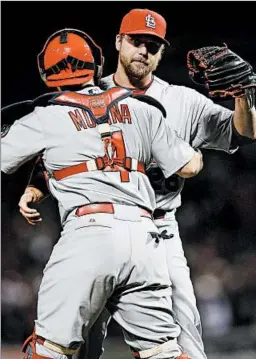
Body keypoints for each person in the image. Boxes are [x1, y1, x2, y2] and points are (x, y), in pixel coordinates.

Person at [17, 8, 256, 359]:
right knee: (77, 345)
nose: (143, 51)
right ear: (118, 42)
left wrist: (244, 96)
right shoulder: (85, 91)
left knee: (183, 339)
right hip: (92, 230)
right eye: (135, 41)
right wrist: (34, 189)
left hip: (159, 230)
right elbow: (54, 153)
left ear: (162, 51)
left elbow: (244, 133)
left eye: (152, 44)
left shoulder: (183, 101)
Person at [1, 28, 204, 359]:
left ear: (45, 72)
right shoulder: (143, 107)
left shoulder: (43, 116)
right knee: (163, 352)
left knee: (49, 350)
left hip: (89, 233)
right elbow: (190, 167)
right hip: (145, 241)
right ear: (96, 63)